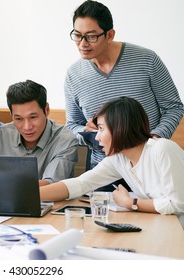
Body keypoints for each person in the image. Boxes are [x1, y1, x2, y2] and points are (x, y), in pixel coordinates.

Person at [64, 1, 184, 185]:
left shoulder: (147, 60)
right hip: (102, 172)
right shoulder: (73, 75)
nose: (82, 44)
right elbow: (73, 124)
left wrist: (153, 141)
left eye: (91, 36)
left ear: (110, 35)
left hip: (149, 169)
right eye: (77, 35)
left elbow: (174, 107)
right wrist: (86, 132)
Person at [40, 97, 184, 215]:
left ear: (120, 128)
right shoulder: (119, 159)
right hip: (162, 226)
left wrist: (130, 203)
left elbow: (177, 204)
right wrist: (26, 194)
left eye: (101, 129)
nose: (96, 137)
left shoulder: (162, 149)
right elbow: (80, 184)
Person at [0, 80, 78, 186]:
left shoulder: (65, 140)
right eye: (19, 119)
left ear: (47, 109)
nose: (27, 127)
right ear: (11, 115)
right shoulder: (2, 134)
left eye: (33, 117)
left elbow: (51, 185)